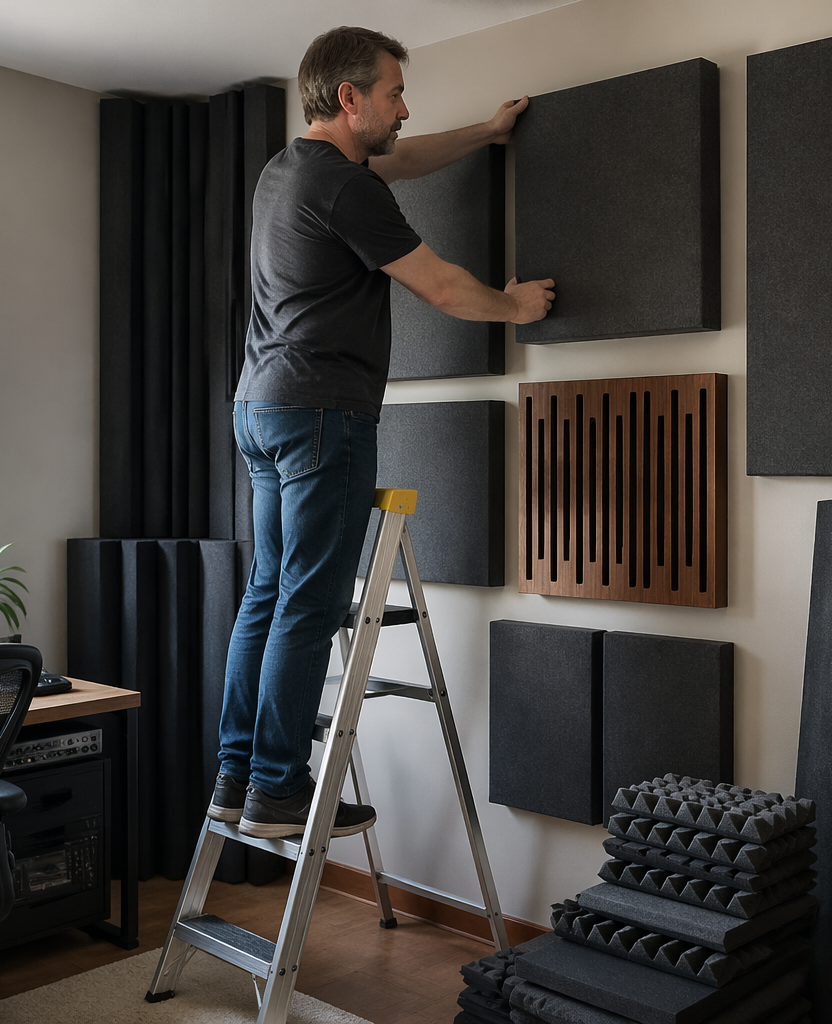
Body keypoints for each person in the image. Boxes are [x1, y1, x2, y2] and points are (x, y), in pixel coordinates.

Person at [209, 26, 555, 839]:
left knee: (268, 592)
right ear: (349, 98)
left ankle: (237, 776)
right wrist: (514, 305)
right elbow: (437, 285)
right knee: (312, 600)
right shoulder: (346, 191)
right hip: (323, 410)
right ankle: (278, 788)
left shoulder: (288, 171)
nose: (406, 107)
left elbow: (396, 159)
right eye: (395, 93)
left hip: (259, 407)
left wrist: (485, 133)